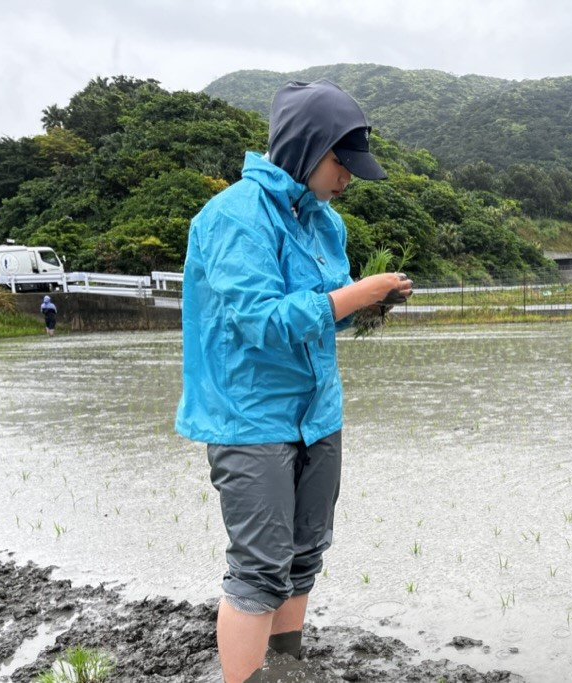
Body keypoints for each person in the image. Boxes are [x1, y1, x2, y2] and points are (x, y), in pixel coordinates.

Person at [175, 80, 413, 683]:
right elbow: (260, 321)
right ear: (306, 148)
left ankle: (284, 667)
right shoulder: (233, 216)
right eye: (342, 162)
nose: (349, 177)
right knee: (258, 567)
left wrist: (369, 303)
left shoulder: (326, 224)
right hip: (249, 416)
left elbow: (321, 312)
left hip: (318, 412)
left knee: (305, 554)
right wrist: (355, 294)